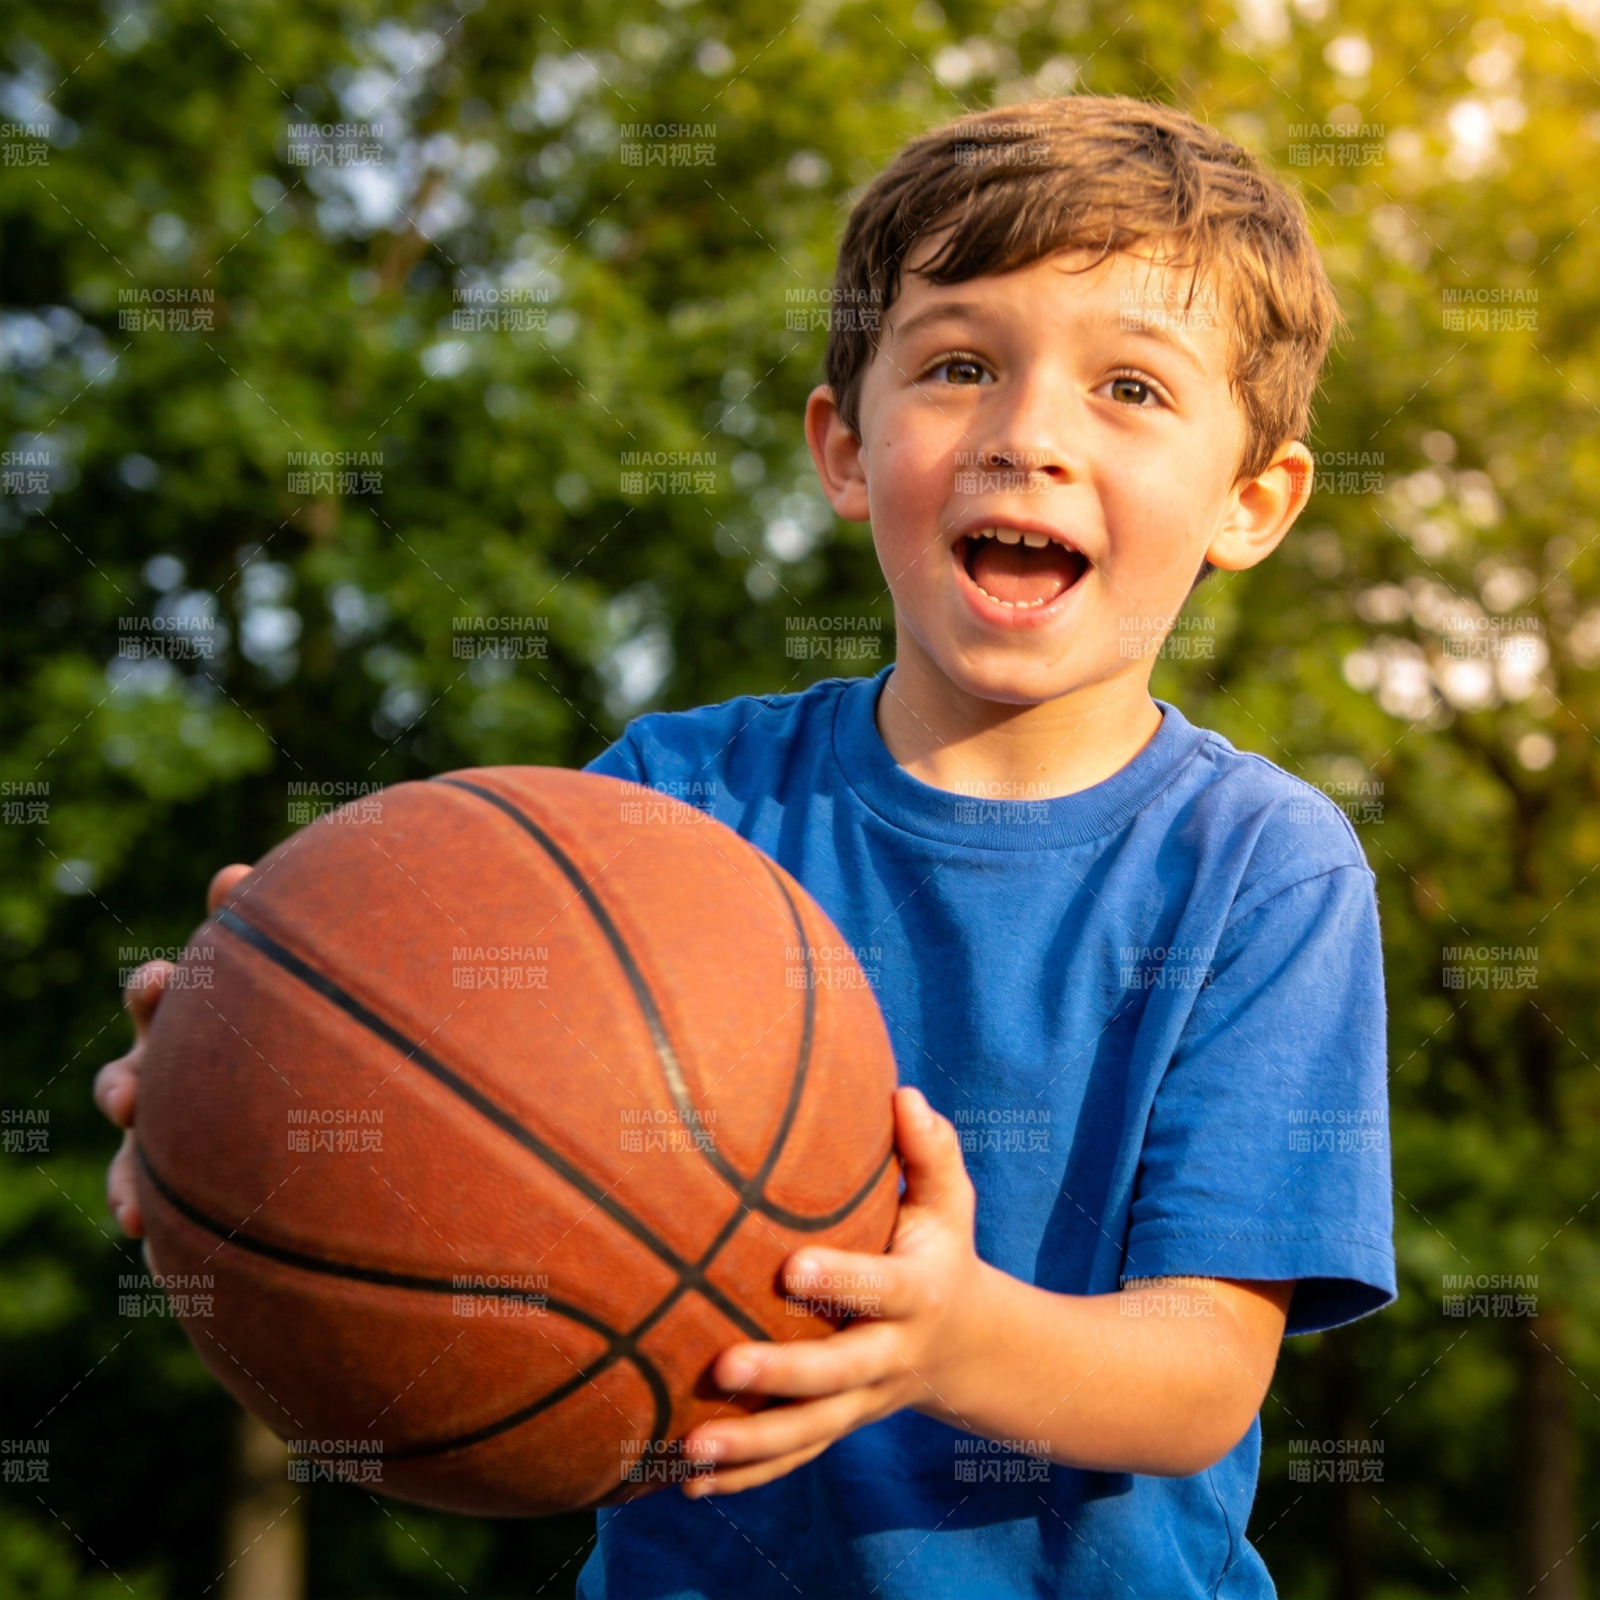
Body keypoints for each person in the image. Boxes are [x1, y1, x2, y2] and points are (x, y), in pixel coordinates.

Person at [96, 95, 1394, 1598]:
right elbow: (458, 1123)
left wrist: (947, 1338)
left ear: (1253, 500)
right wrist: (252, 1092)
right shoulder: (674, 801)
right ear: (845, 449)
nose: (1027, 437)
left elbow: (1202, 1379)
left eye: (1130, 387)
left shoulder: (1264, 870)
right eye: (959, 366)